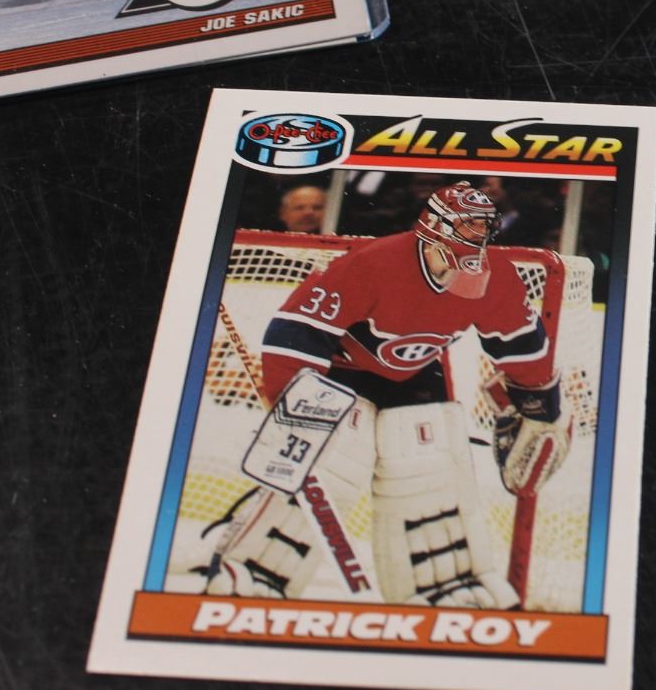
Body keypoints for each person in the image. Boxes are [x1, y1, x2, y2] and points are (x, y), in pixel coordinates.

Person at [197, 183, 573, 607]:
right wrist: (291, 398)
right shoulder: (375, 263)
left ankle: (444, 587)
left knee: (428, 465)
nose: (473, 251)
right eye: (464, 235)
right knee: (326, 463)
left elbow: (520, 343)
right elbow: (297, 330)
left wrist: (539, 405)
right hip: (340, 368)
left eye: (480, 235)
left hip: (416, 371)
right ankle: (252, 570)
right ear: (433, 231)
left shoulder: (495, 275)